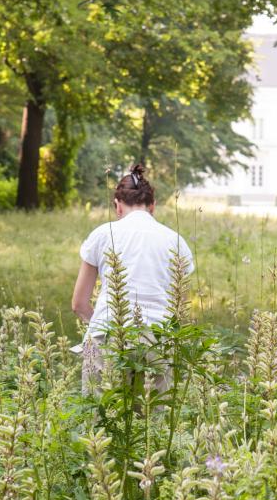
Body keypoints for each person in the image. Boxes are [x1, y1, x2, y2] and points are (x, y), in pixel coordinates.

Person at [71, 163, 194, 394]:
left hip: (107, 334)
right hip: (159, 339)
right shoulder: (176, 241)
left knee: (101, 421)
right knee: (152, 423)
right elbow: (181, 310)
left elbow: (78, 304)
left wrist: (101, 324)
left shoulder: (102, 235)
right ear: (152, 207)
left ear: (117, 206)